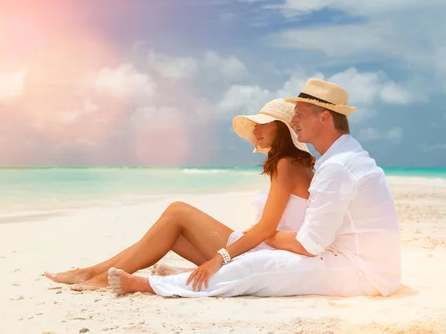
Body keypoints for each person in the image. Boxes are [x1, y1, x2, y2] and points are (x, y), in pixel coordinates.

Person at [107, 78, 401, 298]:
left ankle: (147, 284)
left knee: (256, 265)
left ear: (324, 117)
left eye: (300, 115)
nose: (294, 121)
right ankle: (167, 277)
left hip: (360, 271)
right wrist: (260, 235)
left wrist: (264, 234)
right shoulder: (342, 157)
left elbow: (308, 245)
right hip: (362, 264)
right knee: (255, 260)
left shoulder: (338, 166)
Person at [43, 98, 315, 291]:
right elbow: (274, 223)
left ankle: (96, 276)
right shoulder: (296, 163)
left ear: (281, 129)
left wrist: (219, 257)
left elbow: (267, 228)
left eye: (262, 124)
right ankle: (90, 273)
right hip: (266, 248)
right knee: (169, 234)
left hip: (264, 253)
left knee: (177, 210)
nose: (255, 129)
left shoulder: (286, 164)